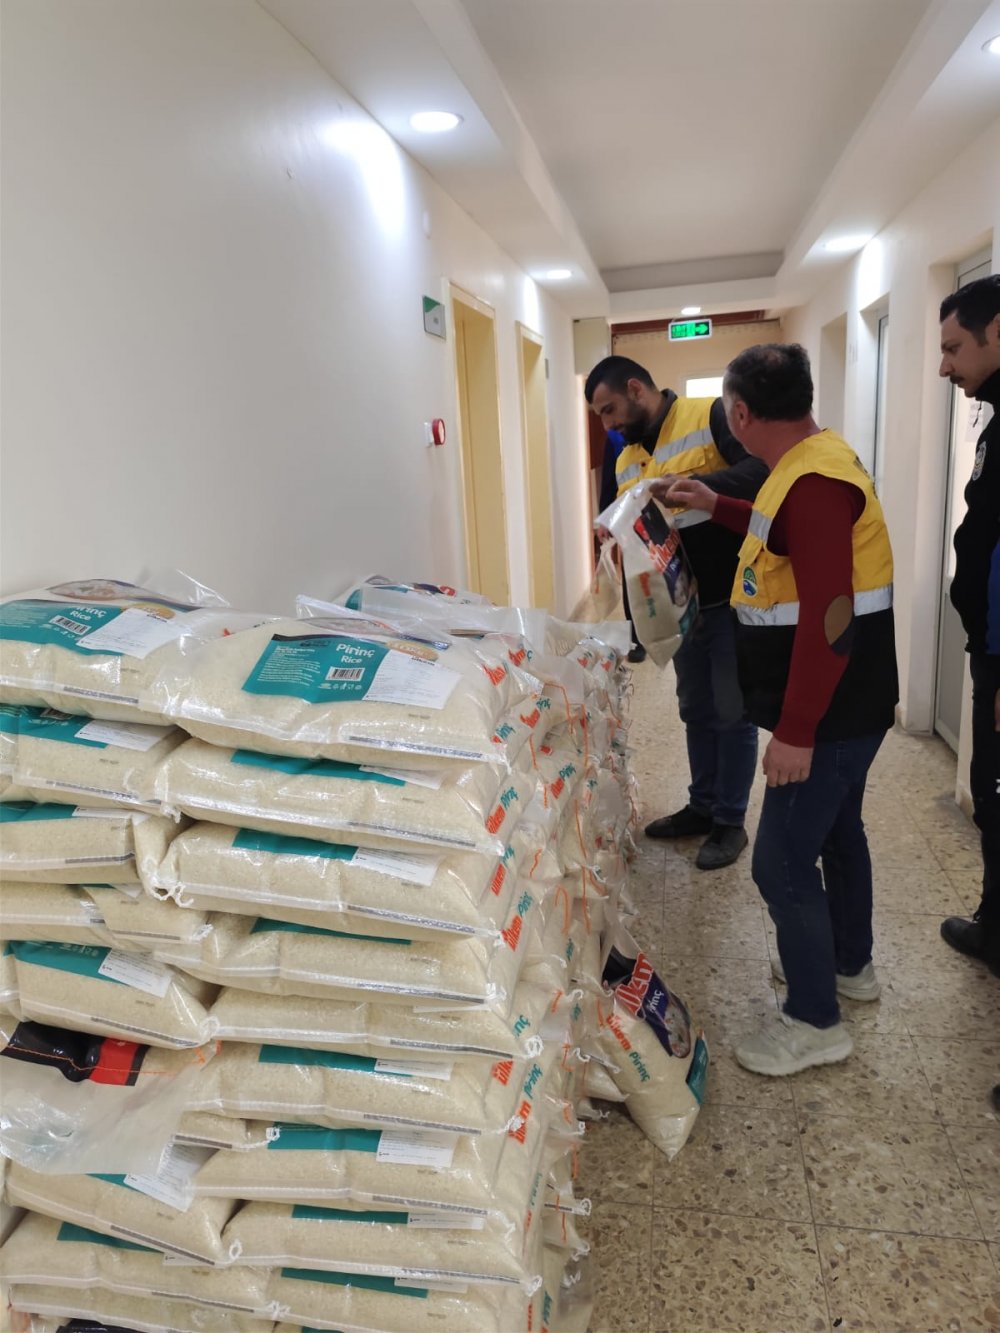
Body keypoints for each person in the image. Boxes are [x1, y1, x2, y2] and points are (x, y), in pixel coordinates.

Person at [660, 343, 898, 1075]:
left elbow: (830, 617)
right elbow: (785, 535)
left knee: (781, 861)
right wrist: (715, 503)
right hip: (852, 705)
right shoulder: (809, 463)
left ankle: (815, 1019)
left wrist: (796, 732)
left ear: (739, 412)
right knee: (838, 833)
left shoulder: (814, 482)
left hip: (831, 716)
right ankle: (848, 965)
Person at [584, 355, 766, 870]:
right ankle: (702, 806)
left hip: (730, 599)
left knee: (732, 712)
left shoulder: (709, 415)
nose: (608, 424)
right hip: (679, 608)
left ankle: (730, 821)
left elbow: (761, 473)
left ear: (636, 389)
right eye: (600, 415)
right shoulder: (625, 458)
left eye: (610, 409)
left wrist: (699, 488)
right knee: (695, 708)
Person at [936, 274, 1000, 979]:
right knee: (991, 788)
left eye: (954, 348)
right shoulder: (996, 416)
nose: (944, 366)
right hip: (989, 650)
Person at [599, 427, 645, 662]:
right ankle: (636, 639)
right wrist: (604, 519)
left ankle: (663, 630)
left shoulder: (656, 430)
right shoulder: (615, 438)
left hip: (661, 519)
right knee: (632, 581)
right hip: (630, 522)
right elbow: (609, 481)